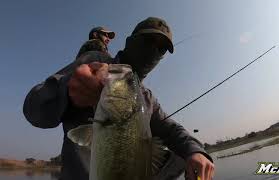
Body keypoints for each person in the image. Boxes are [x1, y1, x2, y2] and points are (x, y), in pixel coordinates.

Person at [23, 17, 214, 180]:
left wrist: (195, 151)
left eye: (161, 48)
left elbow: (171, 129)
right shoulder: (98, 64)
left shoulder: (146, 97)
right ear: (131, 41)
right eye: (148, 40)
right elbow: (33, 108)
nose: (153, 49)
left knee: (180, 155)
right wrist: (68, 90)